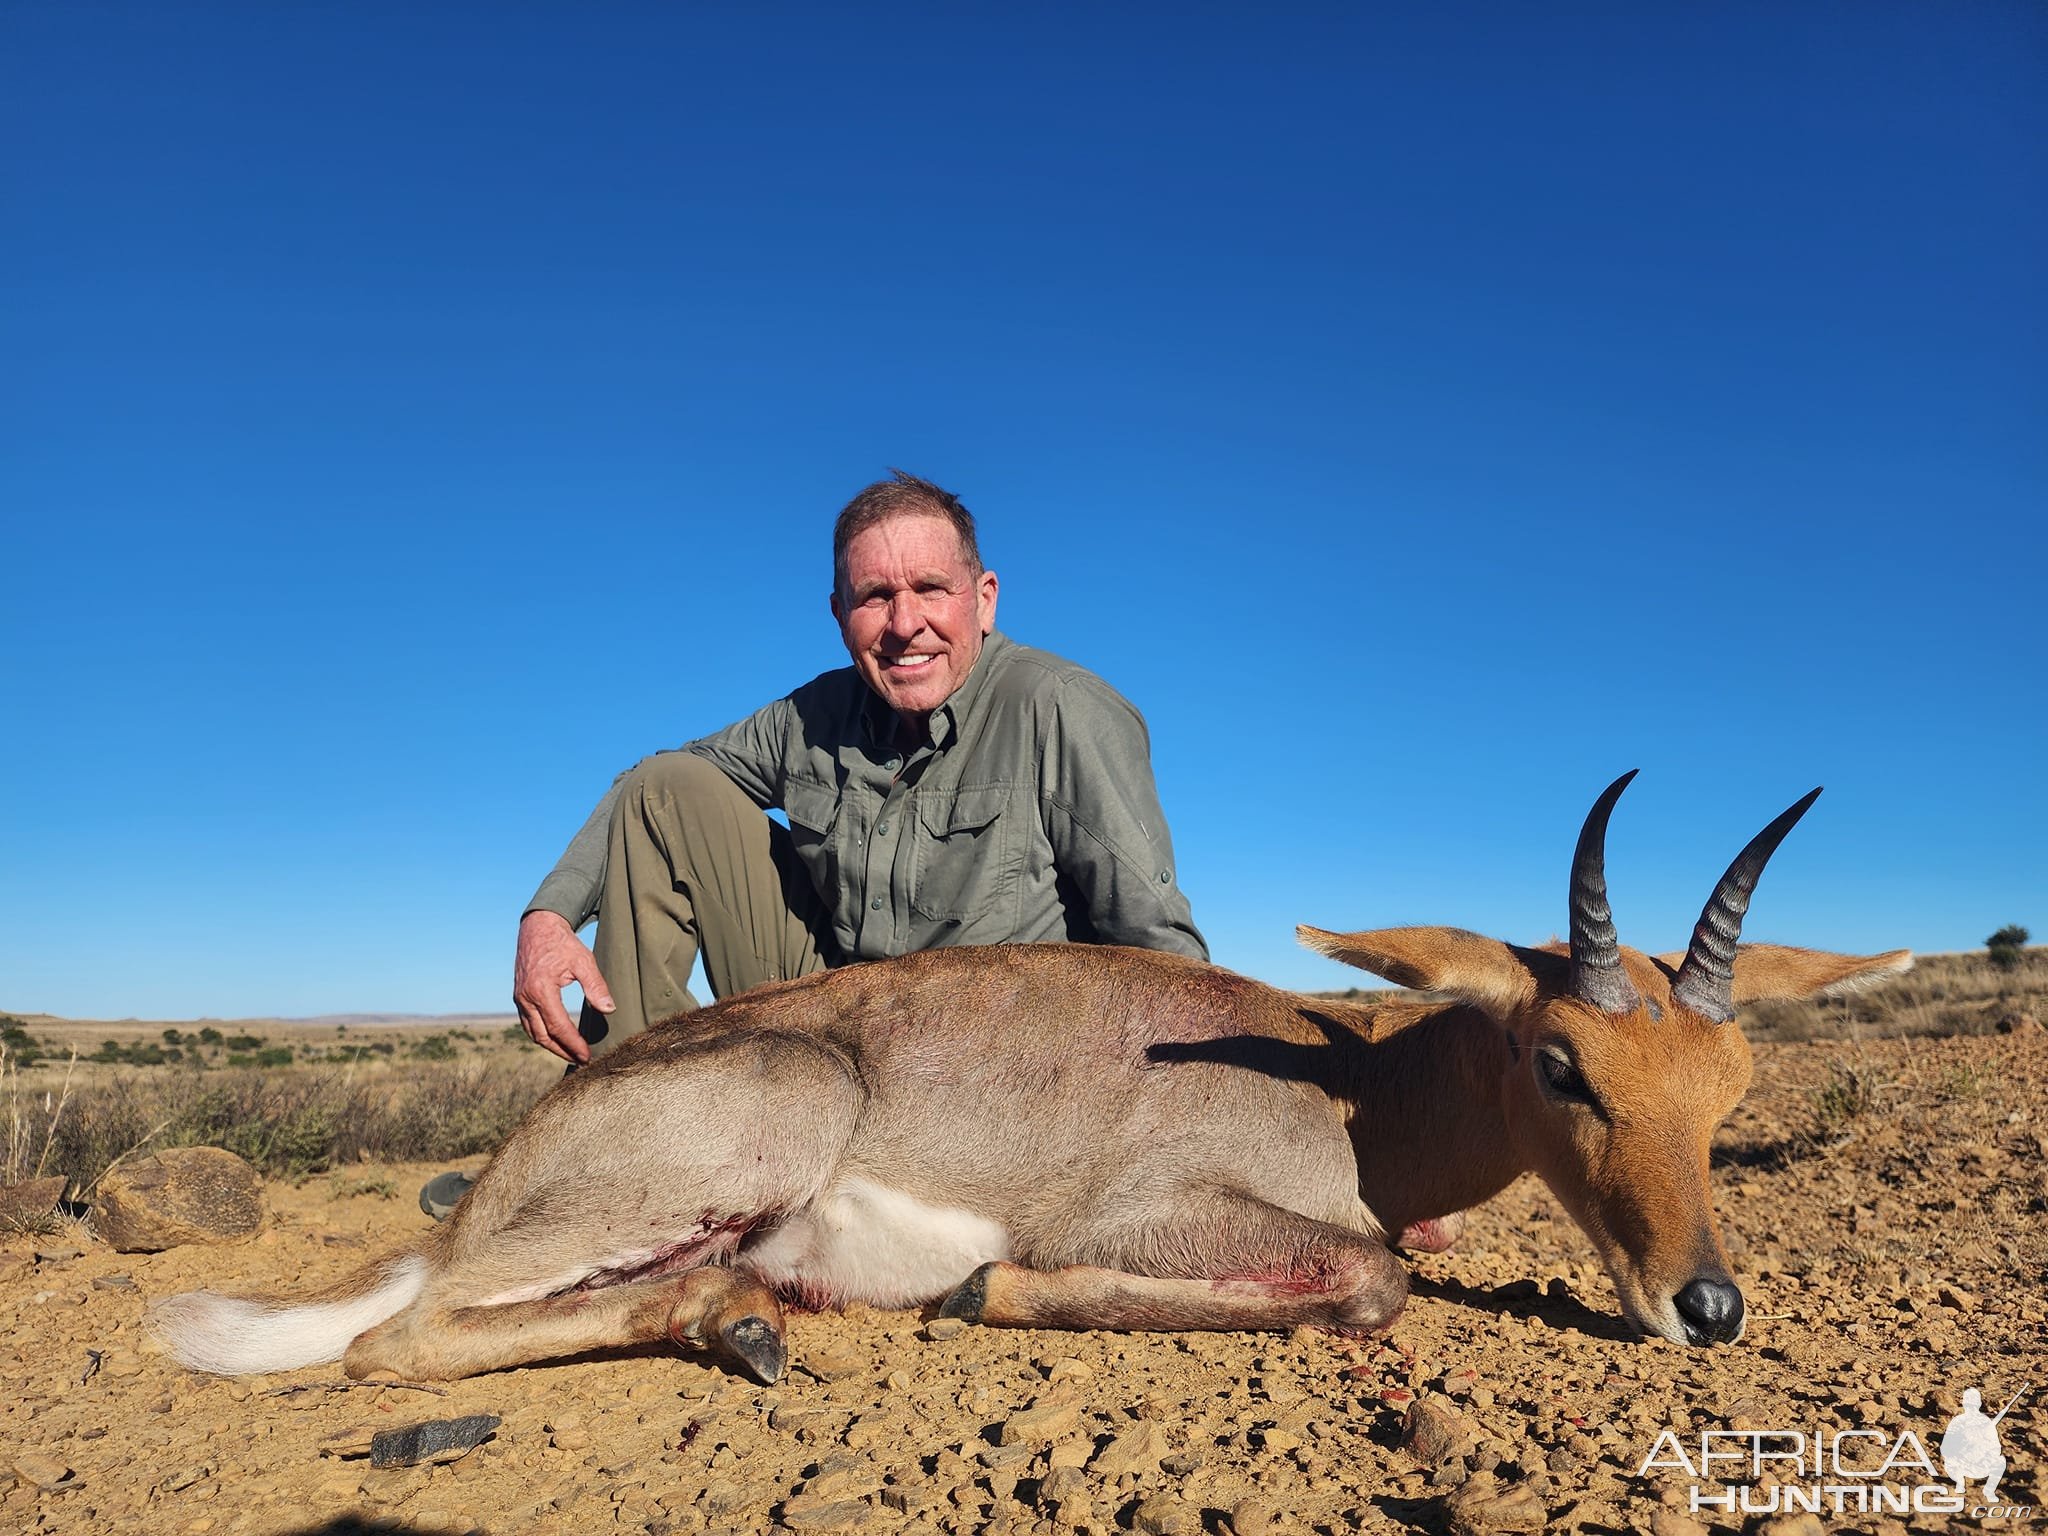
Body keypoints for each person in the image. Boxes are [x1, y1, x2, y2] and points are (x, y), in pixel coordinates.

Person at [422, 470, 1205, 1216]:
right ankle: (608, 1149)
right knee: (669, 790)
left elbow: (1158, 947)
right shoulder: (813, 716)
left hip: (990, 1075)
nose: (905, 625)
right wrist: (550, 915)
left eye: (931, 589)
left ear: (984, 598)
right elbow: (652, 784)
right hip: (833, 1039)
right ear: (839, 615)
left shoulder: (1062, 709)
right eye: (876, 597)